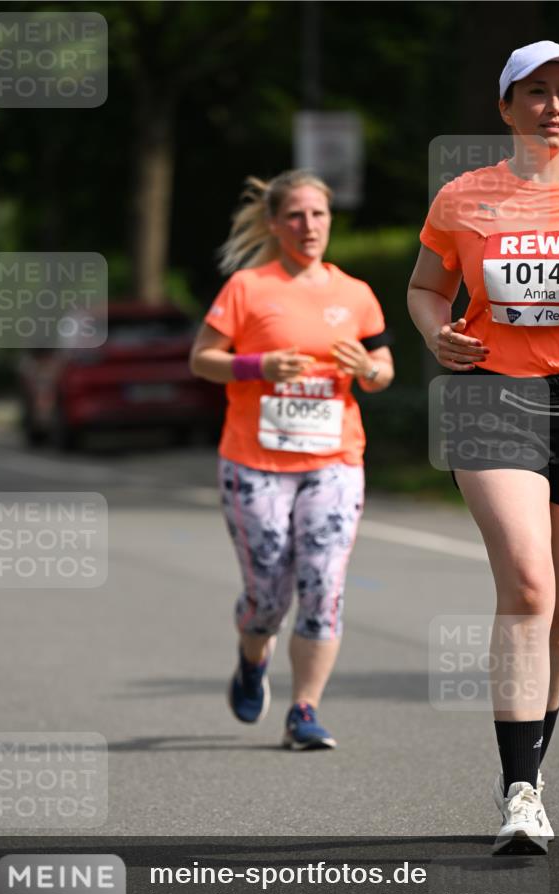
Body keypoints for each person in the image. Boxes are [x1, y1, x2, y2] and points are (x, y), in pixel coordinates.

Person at [408, 40, 559, 851]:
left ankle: (527, 769)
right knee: (528, 588)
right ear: (505, 107)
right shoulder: (465, 196)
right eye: (536, 92)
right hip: (491, 392)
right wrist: (438, 336)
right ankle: (521, 793)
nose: (554, 106)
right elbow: (426, 287)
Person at [190, 169, 394, 749]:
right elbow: (203, 359)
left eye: (320, 214)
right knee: (268, 596)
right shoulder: (247, 289)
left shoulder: (354, 293)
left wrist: (368, 373)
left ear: (332, 220)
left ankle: (305, 710)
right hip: (254, 462)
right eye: (297, 216)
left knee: (323, 581)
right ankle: (253, 658)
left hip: (334, 458)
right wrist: (258, 367)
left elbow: (382, 370)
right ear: (277, 225)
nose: (309, 226)